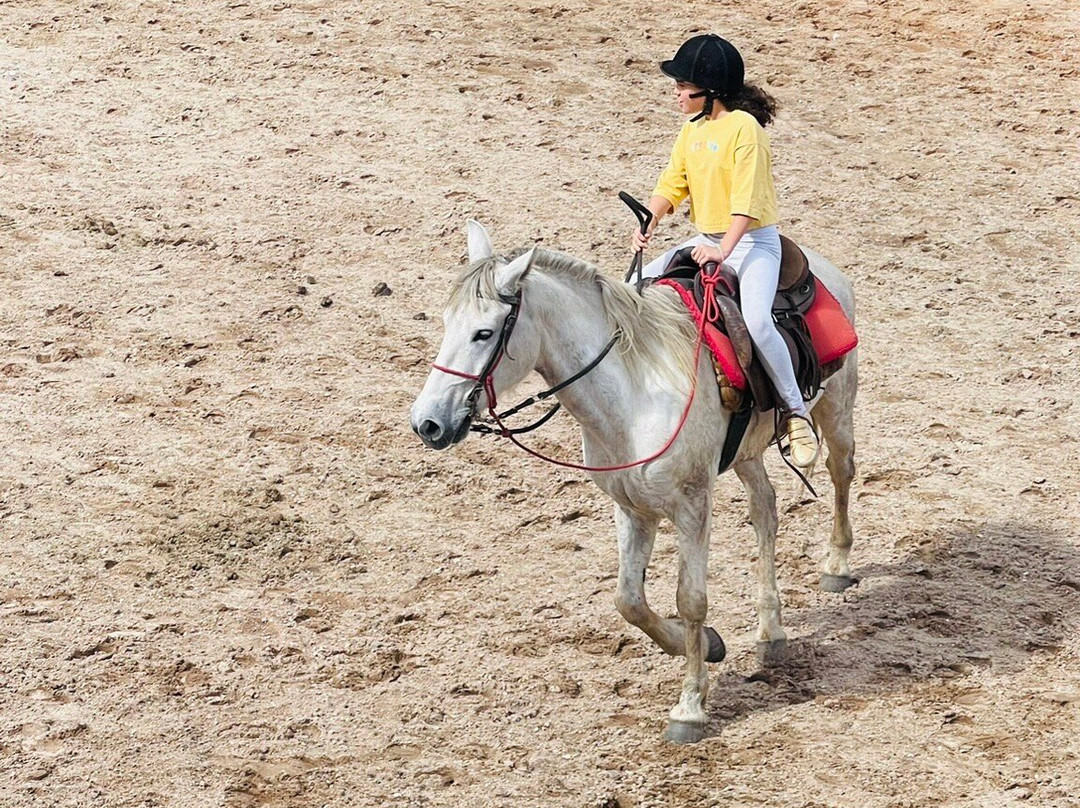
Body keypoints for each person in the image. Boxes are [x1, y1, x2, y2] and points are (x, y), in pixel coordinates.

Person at [631, 33, 819, 468]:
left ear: (710, 91)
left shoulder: (745, 131)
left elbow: (748, 204)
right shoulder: (692, 129)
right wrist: (651, 218)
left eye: (682, 87)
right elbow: (672, 182)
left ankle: (796, 412)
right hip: (708, 238)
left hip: (752, 241)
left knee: (756, 322)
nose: (676, 95)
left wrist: (722, 252)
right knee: (632, 286)